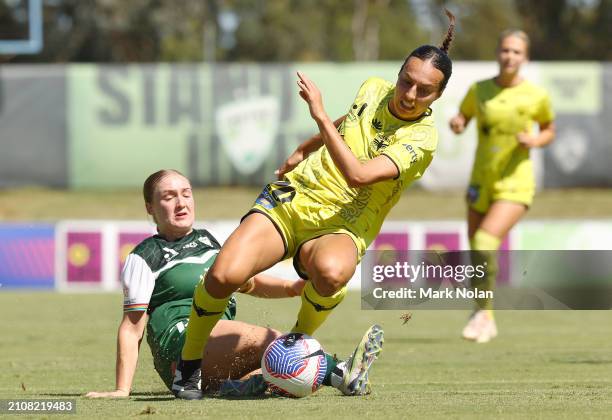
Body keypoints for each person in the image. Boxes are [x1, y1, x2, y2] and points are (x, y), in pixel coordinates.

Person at [174, 11, 456, 400]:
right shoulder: (373, 88)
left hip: (344, 224)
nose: (409, 94)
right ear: (397, 74)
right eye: (406, 81)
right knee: (223, 277)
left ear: (437, 97)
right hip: (294, 199)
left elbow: (358, 174)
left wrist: (318, 113)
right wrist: (304, 149)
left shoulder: (422, 139)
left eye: (423, 90)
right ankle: (188, 369)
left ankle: (294, 350)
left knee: (332, 271)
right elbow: (347, 122)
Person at [85, 169, 384, 399]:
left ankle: (237, 387)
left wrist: (292, 289)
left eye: (186, 193)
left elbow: (248, 284)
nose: (181, 202)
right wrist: (122, 389)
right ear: (150, 207)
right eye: (168, 196)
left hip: (216, 354)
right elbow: (131, 326)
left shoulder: (207, 241)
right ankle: (341, 372)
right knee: (276, 343)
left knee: (288, 375)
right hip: (180, 351)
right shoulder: (145, 256)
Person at [449, 30, 555, 343]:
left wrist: (535, 139)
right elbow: (462, 118)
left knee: (484, 240)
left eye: (517, 52)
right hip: (481, 181)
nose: (510, 56)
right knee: (476, 249)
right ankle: (486, 314)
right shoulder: (478, 90)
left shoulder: (536, 95)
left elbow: (549, 129)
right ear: (498, 53)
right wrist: (457, 123)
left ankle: (483, 314)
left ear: (526, 58)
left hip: (516, 182)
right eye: (506, 50)